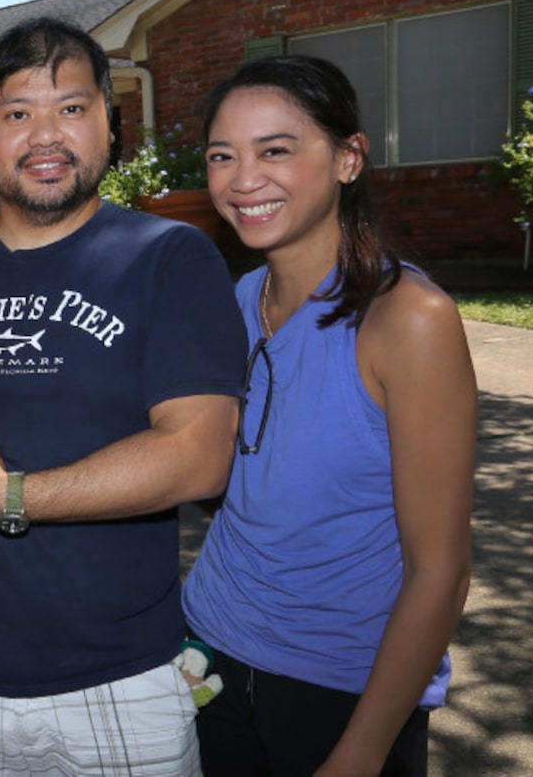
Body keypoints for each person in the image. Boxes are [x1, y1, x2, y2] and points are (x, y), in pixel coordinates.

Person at [0, 15, 248, 776]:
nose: (45, 135)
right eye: (16, 113)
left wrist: (6, 496)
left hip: (118, 678)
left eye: (71, 107)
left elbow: (199, 457)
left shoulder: (168, 257)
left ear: (108, 124)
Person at [182, 55, 476, 777]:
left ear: (348, 158)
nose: (242, 179)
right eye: (223, 156)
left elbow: (439, 571)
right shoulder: (237, 301)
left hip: (340, 688)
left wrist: (361, 752)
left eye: (274, 150)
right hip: (207, 652)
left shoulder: (408, 320)